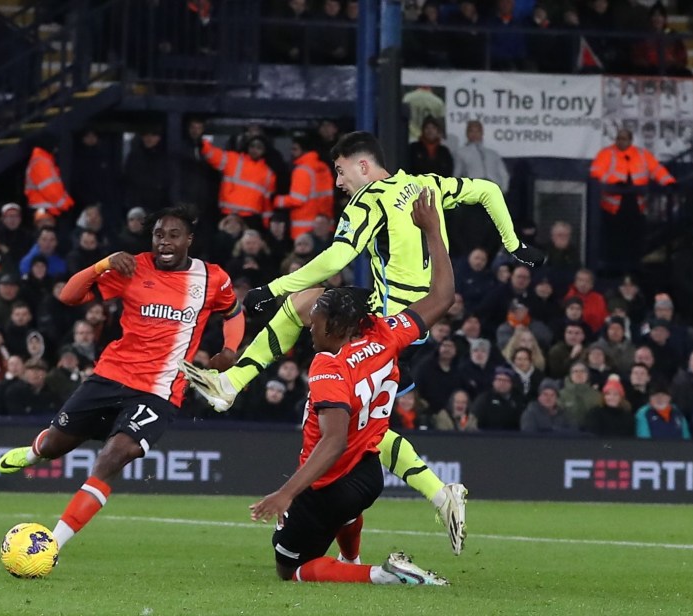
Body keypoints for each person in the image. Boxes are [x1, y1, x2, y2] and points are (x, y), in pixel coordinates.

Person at [182, 132, 544, 553]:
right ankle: (232, 384)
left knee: (353, 425)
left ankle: (436, 495)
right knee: (308, 310)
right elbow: (486, 189)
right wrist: (514, 245)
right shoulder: (426, 184)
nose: (338, 183)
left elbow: (337, 258)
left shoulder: (371, 199)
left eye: (340, 171)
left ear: (363, 166)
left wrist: (272, 286)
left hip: (390, 324)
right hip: (414, 319)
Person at [0, 206, 245, 552]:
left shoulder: (212, 278)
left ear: (189, 239)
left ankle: (52, 544)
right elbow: (68, 296)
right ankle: (36, 452)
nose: (165, 242)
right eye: (159, 235)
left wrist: (231, 350)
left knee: (113, 456)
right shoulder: (132, 266)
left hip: (160, 390)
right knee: (55, 445)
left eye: (174, 235)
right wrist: (103, 264)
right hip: (110, 376)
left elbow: (234, 313)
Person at [248, 193, 454, 585]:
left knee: (287, 569)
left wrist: (287, 493)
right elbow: (443, 297)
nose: (310, 327)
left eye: (317, 321)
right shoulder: (387, 333)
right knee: (344, 513)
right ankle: (350, 555)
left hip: (327, 483)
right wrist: (432, 231)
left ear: (338, 328)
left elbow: (333, 441)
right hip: (368, 475)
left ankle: (386, 575)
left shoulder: (329, 366)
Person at [590, 128, 675, 274]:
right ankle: (612, 270)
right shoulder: (606, 153)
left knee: (635, 238)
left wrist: (669, 182)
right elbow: (596, 171)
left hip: (636, 205)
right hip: (612, 208)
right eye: (618, 138)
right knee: (613, 239)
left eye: (624, 138)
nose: (620, 141)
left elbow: (656, 170)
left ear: (630, 140)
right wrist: (615, 181)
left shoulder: (642, 155)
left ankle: (634, 269)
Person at [201, 134, 276, 227]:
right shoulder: (232, 159)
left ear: (265, 150)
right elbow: (212, 154)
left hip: (250, 218)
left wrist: (266, 224)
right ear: (247, 146)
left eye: (259, 147)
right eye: (252, 146)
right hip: (228, 214)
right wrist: (201, 141)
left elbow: (267, 203)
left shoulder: (268, 174)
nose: (254, 150)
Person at [272, 135, 335, 239]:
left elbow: (298, 200)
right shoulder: (323, 168)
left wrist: (278, 200)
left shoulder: (302, 170)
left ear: (305, 150)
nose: (292, 153)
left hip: (304, 229)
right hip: (324, 227)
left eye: (295, 149)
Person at [24, 132, 75, 222]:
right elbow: (50, 189)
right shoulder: (41, 162)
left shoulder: (43, 160)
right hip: (45, 210)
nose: (56, 148)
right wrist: (65, 206)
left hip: (47, 209)